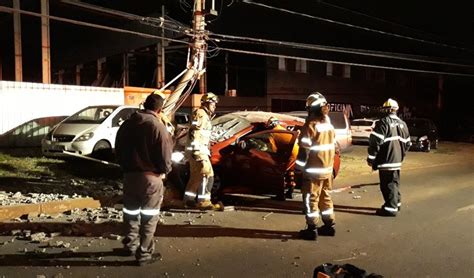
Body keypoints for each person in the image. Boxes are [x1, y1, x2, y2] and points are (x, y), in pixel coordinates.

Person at [114, 92, 173, 266]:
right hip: (150, 178)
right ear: (160, 109)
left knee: (130, 213)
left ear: (144, 105)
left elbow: (117, 149)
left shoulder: (127, 124)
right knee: (149, 216)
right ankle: (144, 254)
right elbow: (164, 155)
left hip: (129, 176)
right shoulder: (157, 126)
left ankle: (129, 246)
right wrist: (165, 171)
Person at [295, 92, 337, 240]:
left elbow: (304, 151)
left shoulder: (310, 126)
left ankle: (311, 229)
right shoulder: (328, 125)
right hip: (327, 171)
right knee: (326, 197)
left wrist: (298, 170)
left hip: (313, 172)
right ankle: (329, 226)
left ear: (311, 109)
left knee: (310, 199)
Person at [367, 98, 411, 217]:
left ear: (388, 110)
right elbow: (408, 144)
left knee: (387, 185)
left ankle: (390, 208)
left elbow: (374, 143)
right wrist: (400, 155)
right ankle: (396, 203)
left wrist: (371, 159)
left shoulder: (383, 123)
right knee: (394, 183)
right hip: (397, 161)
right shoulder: (403, 124)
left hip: (385, 160)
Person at [183, 92, 222, 210]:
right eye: (212, 103)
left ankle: (188, 200)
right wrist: (196, 150)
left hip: (197, 150)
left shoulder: (203, 114)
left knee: (196, 176)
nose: (214, 106)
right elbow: (195, 132)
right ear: (205, 103)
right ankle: (204, 201)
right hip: (198, 151)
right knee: (207, 174)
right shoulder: (201, 114)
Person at [265, 116, 299, 200]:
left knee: (280, 173)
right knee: (290, 171)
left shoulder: (272, 133)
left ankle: (281, 194)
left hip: (290, 152)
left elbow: (273, 149)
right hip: (296, 150)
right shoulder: (281, 129)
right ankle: (290, 191)